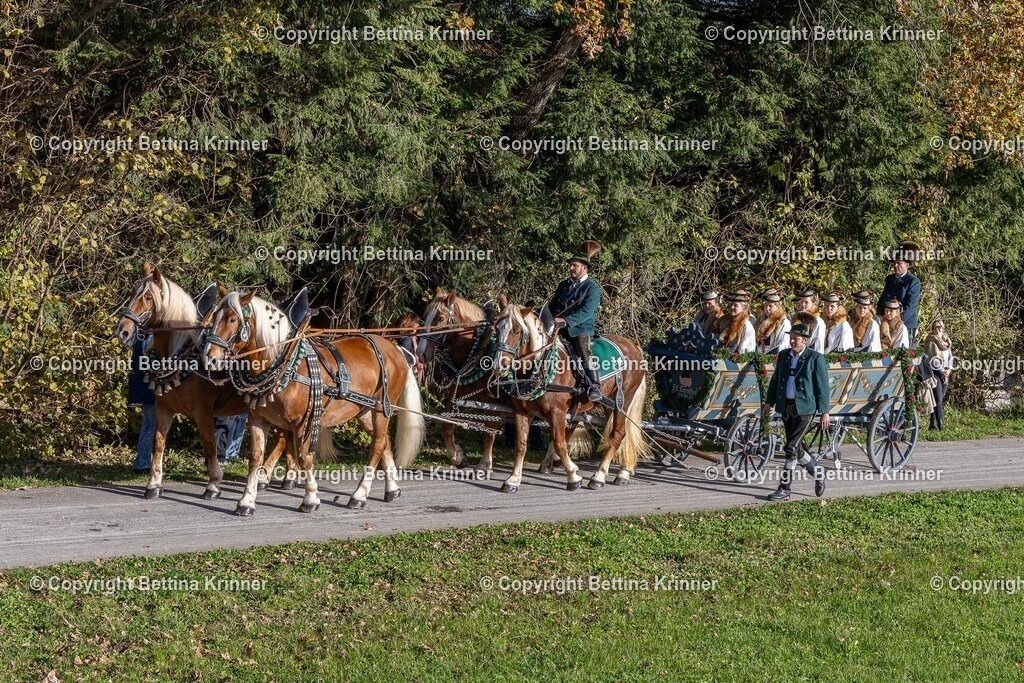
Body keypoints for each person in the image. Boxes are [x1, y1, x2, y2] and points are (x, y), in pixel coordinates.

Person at [763, 323, 830, 501]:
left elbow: (822, 387)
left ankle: (784, 488)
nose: (793, 341)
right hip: (787, 406)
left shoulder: (815, 358)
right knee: (798, 450)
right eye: (791, 337)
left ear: (805, 341)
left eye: (796, 338)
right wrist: (768, 403)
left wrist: (824, 412)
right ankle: (819, 472)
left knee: (791, 448)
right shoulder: (784, 355)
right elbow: (776, 381)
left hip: (806, 409)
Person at [550, 240, 603, 402]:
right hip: (558, 325)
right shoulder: (563, 285)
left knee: (582, 349)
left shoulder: (592, 288)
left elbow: (587, 311)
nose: (571, 268)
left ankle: (594, 385)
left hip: (580, 328)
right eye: (571, 265)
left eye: (575, 265)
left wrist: (566, 321)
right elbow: (553, 306)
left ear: (584, 268)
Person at [878, 241, 922, 344]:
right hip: (886, 322)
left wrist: (896, 321)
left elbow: (911, 306)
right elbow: (881, 301)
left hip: (906, 323)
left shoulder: (913, 281)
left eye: (900, 263)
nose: (896, 265)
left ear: (907, 265)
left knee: (904, 353)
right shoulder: (889, 279)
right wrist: (880, 317)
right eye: (895, 263)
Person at [128, 334, 156, 474]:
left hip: (143, 388)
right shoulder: (150, 339)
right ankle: (142, 462)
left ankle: (141, 461)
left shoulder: (140, 337)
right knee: (152, 426)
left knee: (148, 425)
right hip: (150, 389)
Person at [923, 318, 953, 430]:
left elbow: (950, 357)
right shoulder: (930, 341)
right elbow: (932, 359)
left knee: (938, 399)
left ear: (943, 328)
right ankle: (941, 425)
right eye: (935, 327)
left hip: (945, 372)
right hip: (934, 372)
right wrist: (942, 372)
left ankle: (932, 424)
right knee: (938, 398)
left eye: (939, 327)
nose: (937, 329)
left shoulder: (946, 341)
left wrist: (948, 370)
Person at [755, 287, 791, 354]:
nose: (767, 309)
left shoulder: (784, 322)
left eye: (770, 306)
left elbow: (783, 345)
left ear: (778, 307)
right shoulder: (760, 321)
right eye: (765, 306)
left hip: (774, 359)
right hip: (760, 356)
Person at [793, 288, 825, 353]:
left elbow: (818, 346)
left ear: (813, 303)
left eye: (806, 302)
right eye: (801, 301)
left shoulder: (818, 322)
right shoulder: (800, 320)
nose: (803, 304)